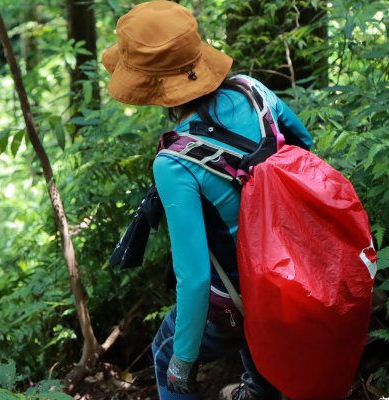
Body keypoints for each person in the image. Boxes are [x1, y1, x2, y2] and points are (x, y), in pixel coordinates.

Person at [101, 2, 313, 400]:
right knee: (253, 308)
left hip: (243, 297)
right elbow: (305, 148)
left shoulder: (174, 163)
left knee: (167, 355)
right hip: (297, 267)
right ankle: (260, 389)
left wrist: (183, 360)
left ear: (152, 85)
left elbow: (195, 278)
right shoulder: (254, 91)